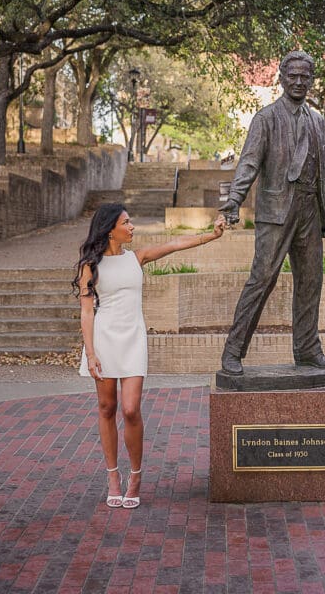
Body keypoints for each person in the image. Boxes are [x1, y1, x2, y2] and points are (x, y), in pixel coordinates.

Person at [73, 203, 225, 509]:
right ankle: (113, 476)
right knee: (107, 407)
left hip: (133, 338)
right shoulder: (90, 265)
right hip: (103, 340)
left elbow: (174, 244)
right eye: (127, 223)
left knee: (130, 409)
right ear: (110, 229)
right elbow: (87, 312)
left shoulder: (136, 258)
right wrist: (90, 354)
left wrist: (211, 235)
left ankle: (137, 475)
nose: (132, 227)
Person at [217, 49, 325, 376]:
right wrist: (234, 199)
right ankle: (233, 351)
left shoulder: (317, 120)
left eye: (305, 77)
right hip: (275, 212)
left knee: (311, 281)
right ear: (282, 78)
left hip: (309, 211)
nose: (299, 82)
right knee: (262, 280)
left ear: (311, 80)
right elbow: (248, 163)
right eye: (293, 76)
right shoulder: (266, 118)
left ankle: (307, 350)